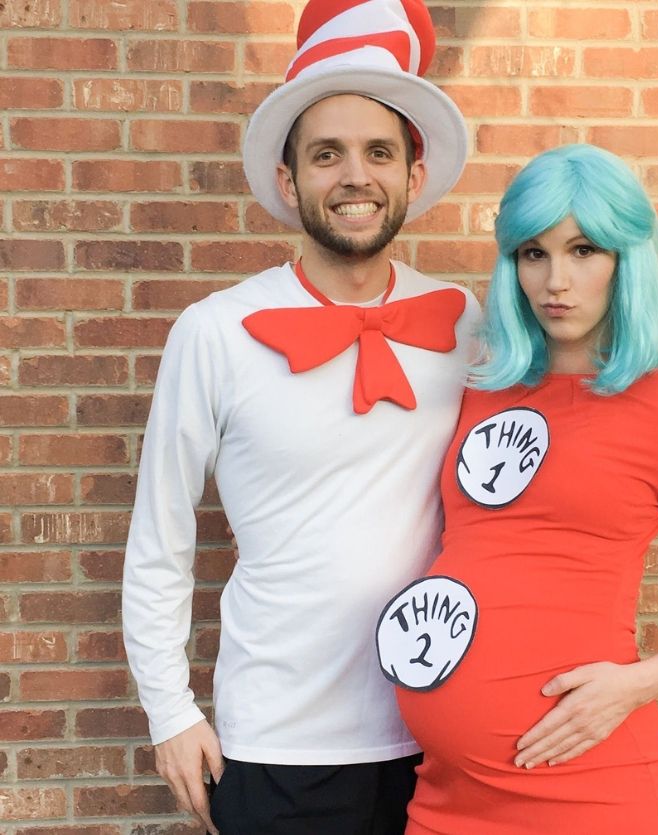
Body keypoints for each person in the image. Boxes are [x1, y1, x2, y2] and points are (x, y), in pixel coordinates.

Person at [121, 2, 479, 833]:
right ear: (289, 182)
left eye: (378, 152)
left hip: (442, 731)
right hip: (277, 744)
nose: (355, 175)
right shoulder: (213, 332)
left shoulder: (470, 324)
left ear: (412, 178)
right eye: (327, 154)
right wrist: (169, 712)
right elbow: (161, 540)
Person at [376, 143, 658, 834]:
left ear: (626, 260)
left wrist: (631, 685)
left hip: (590, 792)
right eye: (532, 253)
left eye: (583, 250)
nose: (554, 280)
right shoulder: (477, 392)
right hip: (447, 796)